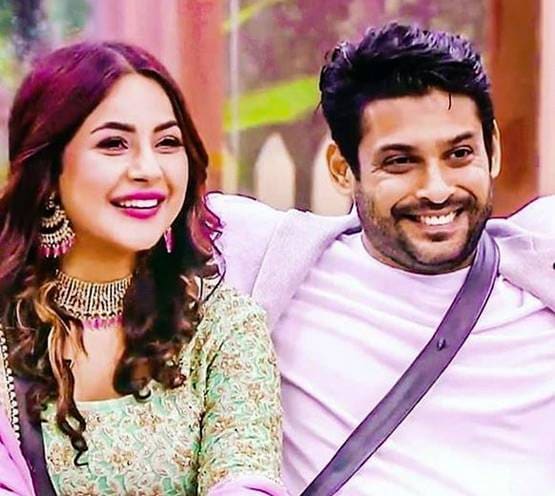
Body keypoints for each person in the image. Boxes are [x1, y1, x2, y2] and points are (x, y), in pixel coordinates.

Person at [209, 23, 555, 495]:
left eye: (459, 154)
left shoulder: (538, 269)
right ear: (341, 168)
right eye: (400, 161)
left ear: (491, 149)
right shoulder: (269, 261)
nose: (437, 189)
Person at [0, 41, 286, 496]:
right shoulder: (5, 332)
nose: (149, 169)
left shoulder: (223, 329)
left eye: (168, 142)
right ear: (49, 171)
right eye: (114, 144)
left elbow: (245, 480)